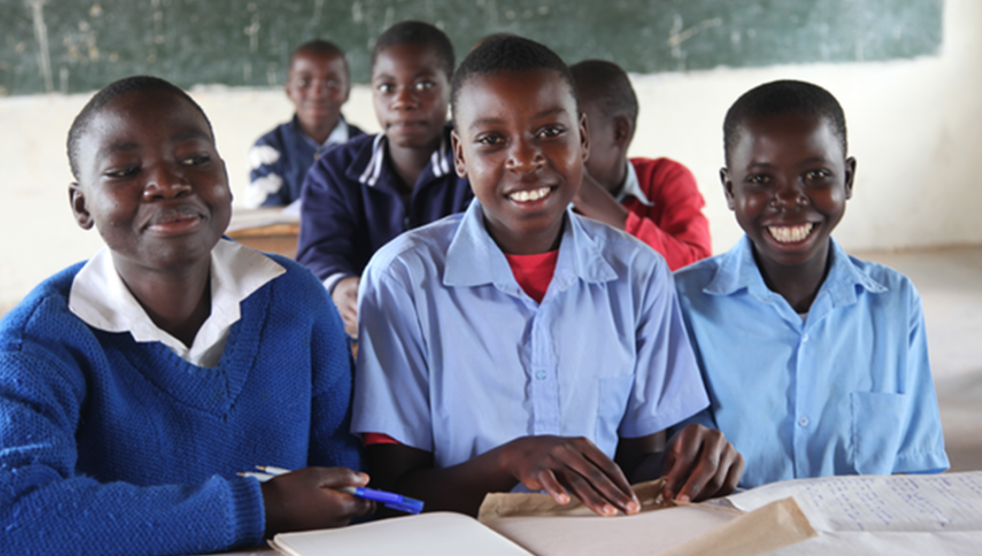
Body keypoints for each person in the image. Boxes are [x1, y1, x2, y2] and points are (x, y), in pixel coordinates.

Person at [0, 76, 374, 556]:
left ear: (225, 176)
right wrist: (261, 506)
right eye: (125, 170)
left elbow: (347, 483)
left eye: (195, 160)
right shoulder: (40, 342)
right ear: (81, 205)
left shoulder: (296, 299)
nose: (169, 184)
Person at [352, 36, 743, 518]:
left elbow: (636, 463)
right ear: (459, 154)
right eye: (491, 140)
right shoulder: (403, 280)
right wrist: (509, 462)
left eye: (550, 131)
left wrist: (687, 463)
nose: (524, 158)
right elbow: (395, 492)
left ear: (583, 137)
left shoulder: (638, 274)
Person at [671, 79, 950, 489]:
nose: (789, 199)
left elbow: (914, 465)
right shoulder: (683, 303)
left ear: (848, 178)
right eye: (760, 180)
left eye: (815, 175)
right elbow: (675, 455)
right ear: (730, 189)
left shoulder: (893, 302)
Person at [296, 21, 473, 336]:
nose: (403, 100)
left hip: (457, 330)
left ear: (452, 89)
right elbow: (319, 253)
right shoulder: (334, 171)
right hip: (370, 333)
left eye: (424, 85)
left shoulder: (476, 165)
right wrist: (340, 286)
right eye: (387, 87)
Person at [569, 60, 711, 270]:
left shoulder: (663, 179)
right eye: (551, 132)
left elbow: (698, 270)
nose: (558, 148)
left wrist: (586, 195)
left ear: (619, 132)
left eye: (573, 132)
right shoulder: (548, 200)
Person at [246, 39, 365, 209]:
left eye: (332, 83)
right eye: (304, 82)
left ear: (347, 92)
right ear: (289, 91)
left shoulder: (366, 149)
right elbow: (267, 216)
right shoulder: (268, 149)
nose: (317, 94)